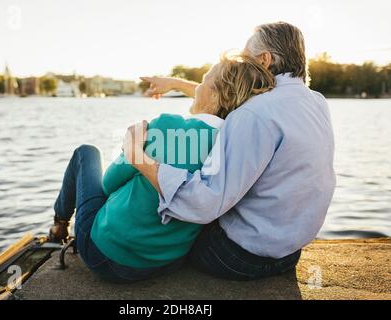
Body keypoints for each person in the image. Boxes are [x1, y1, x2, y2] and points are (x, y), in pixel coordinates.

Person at [123, 22, 336, 280]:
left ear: (264, 60)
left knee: (170, 222)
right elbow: (228, 93)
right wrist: (175, 84)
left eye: (247, 57)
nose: (240, 66)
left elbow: (205, 202)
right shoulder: (316, 102)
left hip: (242, 257)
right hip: (289, 252)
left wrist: (138, 157)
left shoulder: (254, 113)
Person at [48, 54, 275, 283]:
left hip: (107, 257)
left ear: (215, 94)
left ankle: (59, 225)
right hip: (167, 261)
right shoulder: (233, 146)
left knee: (86, 153)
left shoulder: (167, 126)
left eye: (203, 81)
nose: (196, 89)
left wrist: (132, 145)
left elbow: (108, 183)